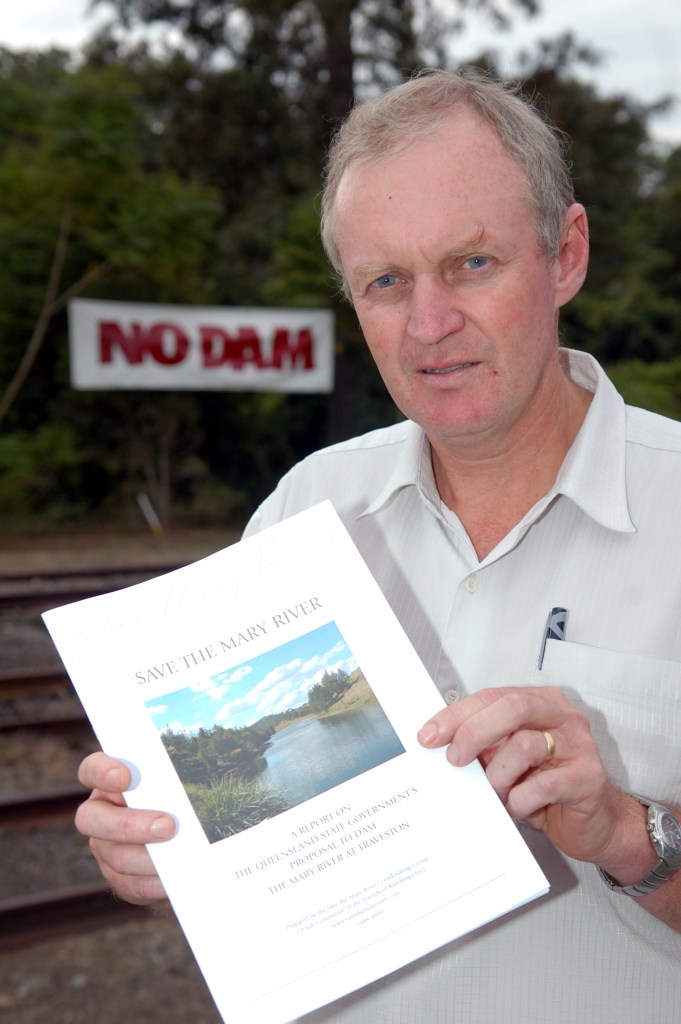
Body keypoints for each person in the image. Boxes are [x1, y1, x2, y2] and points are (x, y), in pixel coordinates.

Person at [76, 69, 681, 1022]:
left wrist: (625, 832)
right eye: (387, 281)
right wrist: (154, 845)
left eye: (471, 264)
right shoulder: (303, 508)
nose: (429, 325)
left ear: (564, 254)